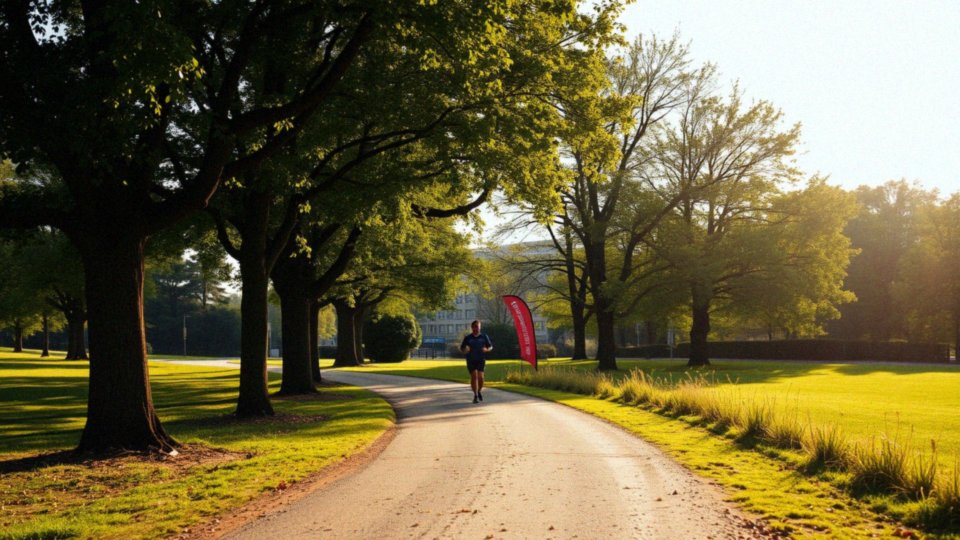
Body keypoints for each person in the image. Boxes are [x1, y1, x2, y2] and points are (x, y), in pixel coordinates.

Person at [460, 319, 492, 403]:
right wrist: (465, 350)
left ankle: (478, 391)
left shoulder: (484, 336)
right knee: (474, 376)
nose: (476, 329)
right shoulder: (468, 338)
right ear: (472, 327)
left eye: (477, 327)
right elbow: (462, 348)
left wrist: (487, 349)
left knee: (481, 378)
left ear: (480, 327)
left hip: (481, 359)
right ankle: (475, 395)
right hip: (471, 360)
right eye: (474, 327)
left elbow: (490, 346)